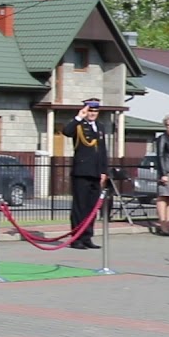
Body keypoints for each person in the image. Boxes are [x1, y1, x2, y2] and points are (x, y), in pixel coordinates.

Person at [59, 98, 108, 250]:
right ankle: (76, 238)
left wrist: (103, 171)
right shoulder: (79, 125)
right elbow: (66, 132)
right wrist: (79, 116)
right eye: (90, 111)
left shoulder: (100, 127)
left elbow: (102, 152)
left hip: (95, 172)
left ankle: (87, 237)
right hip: (82, 172)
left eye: (95, 111)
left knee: (92, 207)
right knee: (80, 207)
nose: (93, 114)